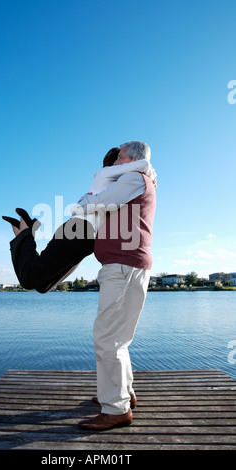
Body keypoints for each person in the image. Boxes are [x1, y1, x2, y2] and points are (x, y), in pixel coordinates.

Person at [2, 146, 157, 294]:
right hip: (78, 229)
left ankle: (26, 233)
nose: (120, 162)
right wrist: (151, 174)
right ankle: (25, 232)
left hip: (87, 240)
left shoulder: (120, 186)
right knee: (29, 280)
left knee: (42, 285)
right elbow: (143, 164)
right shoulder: (106, 173)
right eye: (119, 158)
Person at [78, 140, 156, 430]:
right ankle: (123, 395)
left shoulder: (134, 178)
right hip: (130, 265)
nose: (114, 162)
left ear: (133, 158)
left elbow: (91, 205)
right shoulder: (139, 180)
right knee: (118, 338)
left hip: (122, 267)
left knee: (107, 338)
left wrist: (87, 197)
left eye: (119, 156)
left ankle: (115, 409)